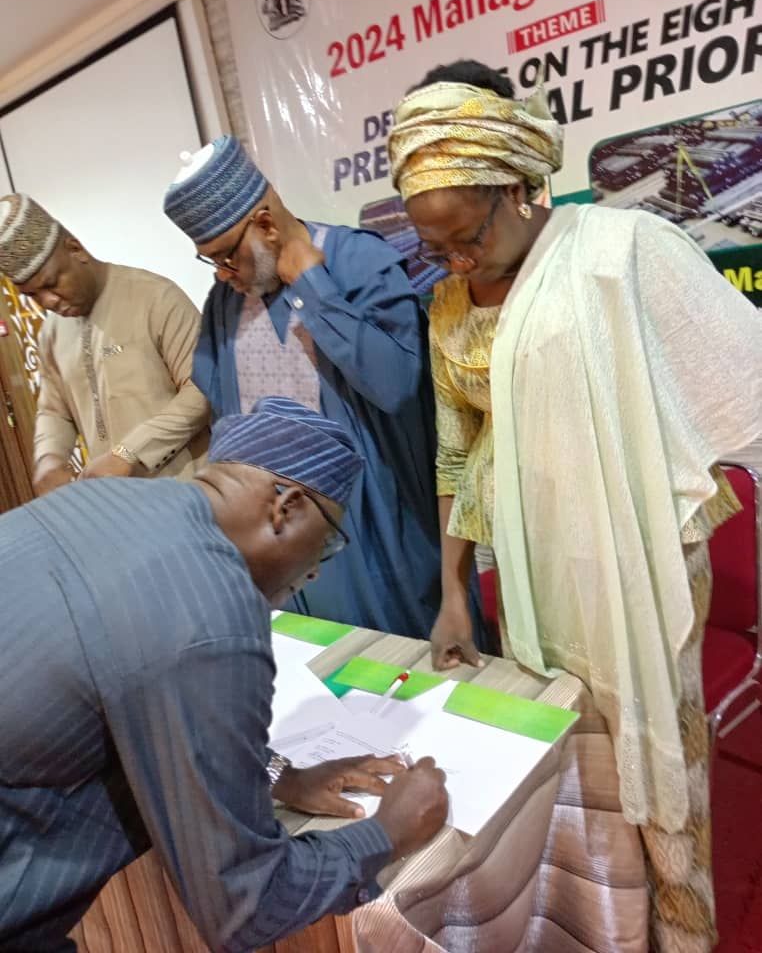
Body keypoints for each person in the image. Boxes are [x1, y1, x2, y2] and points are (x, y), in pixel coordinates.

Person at [388, 59, 762, 952]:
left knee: (654, 749)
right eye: (434, 247)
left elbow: (735, 375)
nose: (455, 259)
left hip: (637, 553)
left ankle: (684, 928)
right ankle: (608, 922)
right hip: (524, 566)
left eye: (465, 235)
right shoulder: (448, 307)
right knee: (574, 757)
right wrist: (452, 590)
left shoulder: (617, 254)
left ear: (521, 187)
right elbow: (457, 452)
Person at [0, 396, 448, 953]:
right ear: (285, 507)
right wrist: (389, 832)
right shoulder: (212, 609)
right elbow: (244, 904)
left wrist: (279, 773)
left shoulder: (99, 498)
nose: (312, 570)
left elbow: (128, 692)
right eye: (327, 544)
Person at [162, 135, 485, 645]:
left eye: (227, 256)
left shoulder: (355, 261)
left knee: (411, 678)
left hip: (377, 529)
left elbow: (398, 387)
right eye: (212, 262)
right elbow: (223, 408)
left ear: (265, 224)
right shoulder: (225, 302)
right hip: (283, 543)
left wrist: (313, 285)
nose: (223, 275)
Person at [0, 193, 210, 495]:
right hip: (111, 504)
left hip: (184, 492)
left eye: (50, 283)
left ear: (75, 249)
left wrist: (129, 452)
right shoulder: (52, 333)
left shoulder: (155, 297)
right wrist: (49, 458)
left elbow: (201, 390)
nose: (48, 302)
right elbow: (54, 410)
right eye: (32, 295)